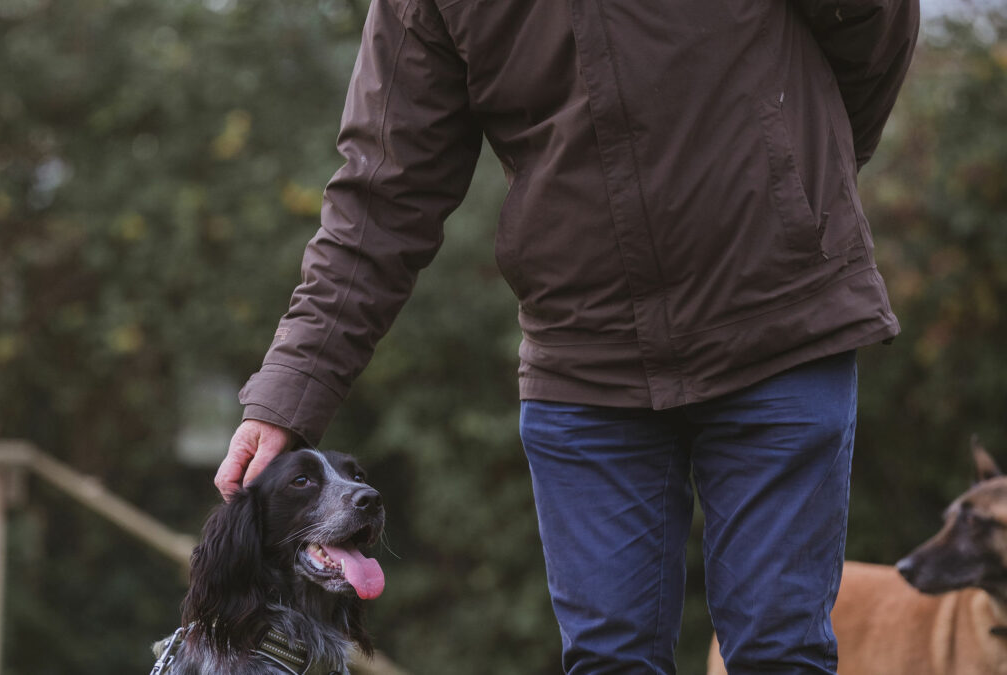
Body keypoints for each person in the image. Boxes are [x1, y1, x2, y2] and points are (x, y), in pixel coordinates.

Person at [214, 0, 920, 672]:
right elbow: (382, 194)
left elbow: (873, 29)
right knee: (610, 660)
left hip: (781, 324)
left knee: (778, 654)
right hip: (584, 362)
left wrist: (794, 188)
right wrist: (286, 396)